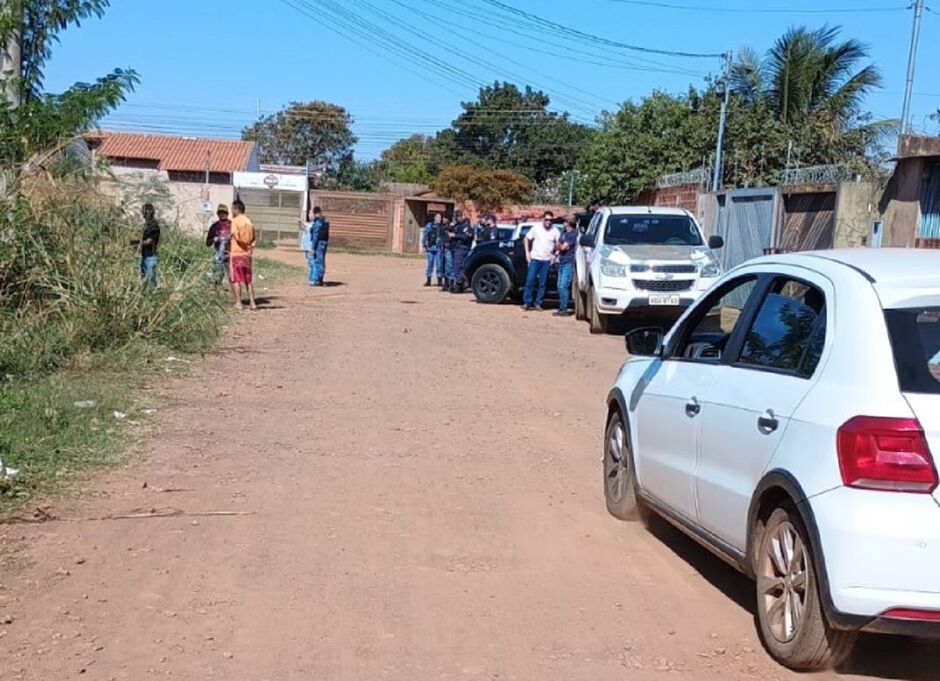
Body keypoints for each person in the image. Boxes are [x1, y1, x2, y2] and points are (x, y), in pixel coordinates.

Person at [522, 211, 560, 311]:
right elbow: (526, 238)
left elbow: (559, 244)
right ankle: (527, 302)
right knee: (530, 280)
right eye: (546, 219)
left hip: (546, 260)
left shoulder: (555, 231)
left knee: (542, 283)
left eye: (550, 220)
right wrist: (527, 252)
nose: (548, 222)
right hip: (535, 258)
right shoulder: (536, 228)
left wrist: (555, 255)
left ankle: (538, 303)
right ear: (543, 219)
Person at [229, 199, 257, 310]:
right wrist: (249, 247)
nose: (231, 211)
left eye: (232, 209)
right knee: (248, 280)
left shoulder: (235, 221)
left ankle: (239, 303)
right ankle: (252, 303)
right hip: (247, 255)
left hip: (236, 253)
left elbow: (236, 236)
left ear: (236, 209)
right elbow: (254, 239)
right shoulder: (250, 222)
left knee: (236, 279)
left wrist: (242, 243)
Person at [206, 204, 233, 294]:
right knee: (217, 274)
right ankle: (216, 293)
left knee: (231, 276)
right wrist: (213, 239)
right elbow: (207, 243)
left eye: (224, 212)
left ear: (227, 213)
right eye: (220, 213)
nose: (222, 214)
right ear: (217, 214)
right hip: (218, 254)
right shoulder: (214, 226)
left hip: (230, 253)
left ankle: (235, 295)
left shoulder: (232, 225)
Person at [554, 218, 578, 317]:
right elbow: (558, 245)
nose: (563, 223)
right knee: (559, 286)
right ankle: (561, 307)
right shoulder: (563, 232)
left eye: (564, 221)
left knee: (563, 285)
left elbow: (563, 247)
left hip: (568, 262)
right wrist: (560, 246)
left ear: (568, 223)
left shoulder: (573, 234)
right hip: (561, 261)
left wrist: (560, 246)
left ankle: (564, 308)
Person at [450, 211, 474, 293]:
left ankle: (460, 285)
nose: (457, 218)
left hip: (462, 248)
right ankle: (459, 285)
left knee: (458, 267)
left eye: (457, 217)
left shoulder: (466, 226)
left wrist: (455, 236)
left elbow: (466, 237)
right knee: (456, 267)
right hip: (457, 248)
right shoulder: (458, 225)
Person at [139, 203, 160, 287]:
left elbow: (150, 241)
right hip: (144, 255)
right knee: (144, 278)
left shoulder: (154, 226)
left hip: (151, 256)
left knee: (151, 279)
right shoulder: (146, 225)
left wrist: (137, 243)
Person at [422, 212, 444, 287]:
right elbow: (425, 235)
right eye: (438, 217)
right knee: (430, 264)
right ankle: (428, 280)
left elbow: (443, 237)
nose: (439, 219)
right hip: (430, 248)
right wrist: (424, 245)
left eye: (440, 218)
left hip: (438, 248)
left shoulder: (441, 227)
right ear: (435, 218)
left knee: (439, 265)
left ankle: (439, 281)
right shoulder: (429, 226)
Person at [310, 206, 329, 286]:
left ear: (315, 213)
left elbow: (316, 235)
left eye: (312, 214)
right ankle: (320, 278)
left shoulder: (318, 222)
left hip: (319, 243)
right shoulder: (325, 220)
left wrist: (313, 247)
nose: (311, 215)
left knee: (318, 260)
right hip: (324, 242)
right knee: (321, 260)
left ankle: (318, 279)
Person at [298, 209, 317, 286]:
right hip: (306, 247)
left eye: (310, 213)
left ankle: (313, 280)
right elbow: (302, 227)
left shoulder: (314, 224)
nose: (309, 215)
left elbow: (307, 226)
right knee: (309, 264)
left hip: (310, 248)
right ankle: (310, 279)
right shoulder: (309, 224)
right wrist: (299, 223)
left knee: (312, 264)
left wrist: (301, 221)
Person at [440, 213, 457, 291]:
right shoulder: (443, 226)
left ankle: (451, 284)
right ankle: (446, 283)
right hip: (443, 247)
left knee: (449, 266)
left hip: (450, 248)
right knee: (443, 265)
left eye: (445, 218)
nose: (443, 219)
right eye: (443, 218)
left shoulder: (452, 227)